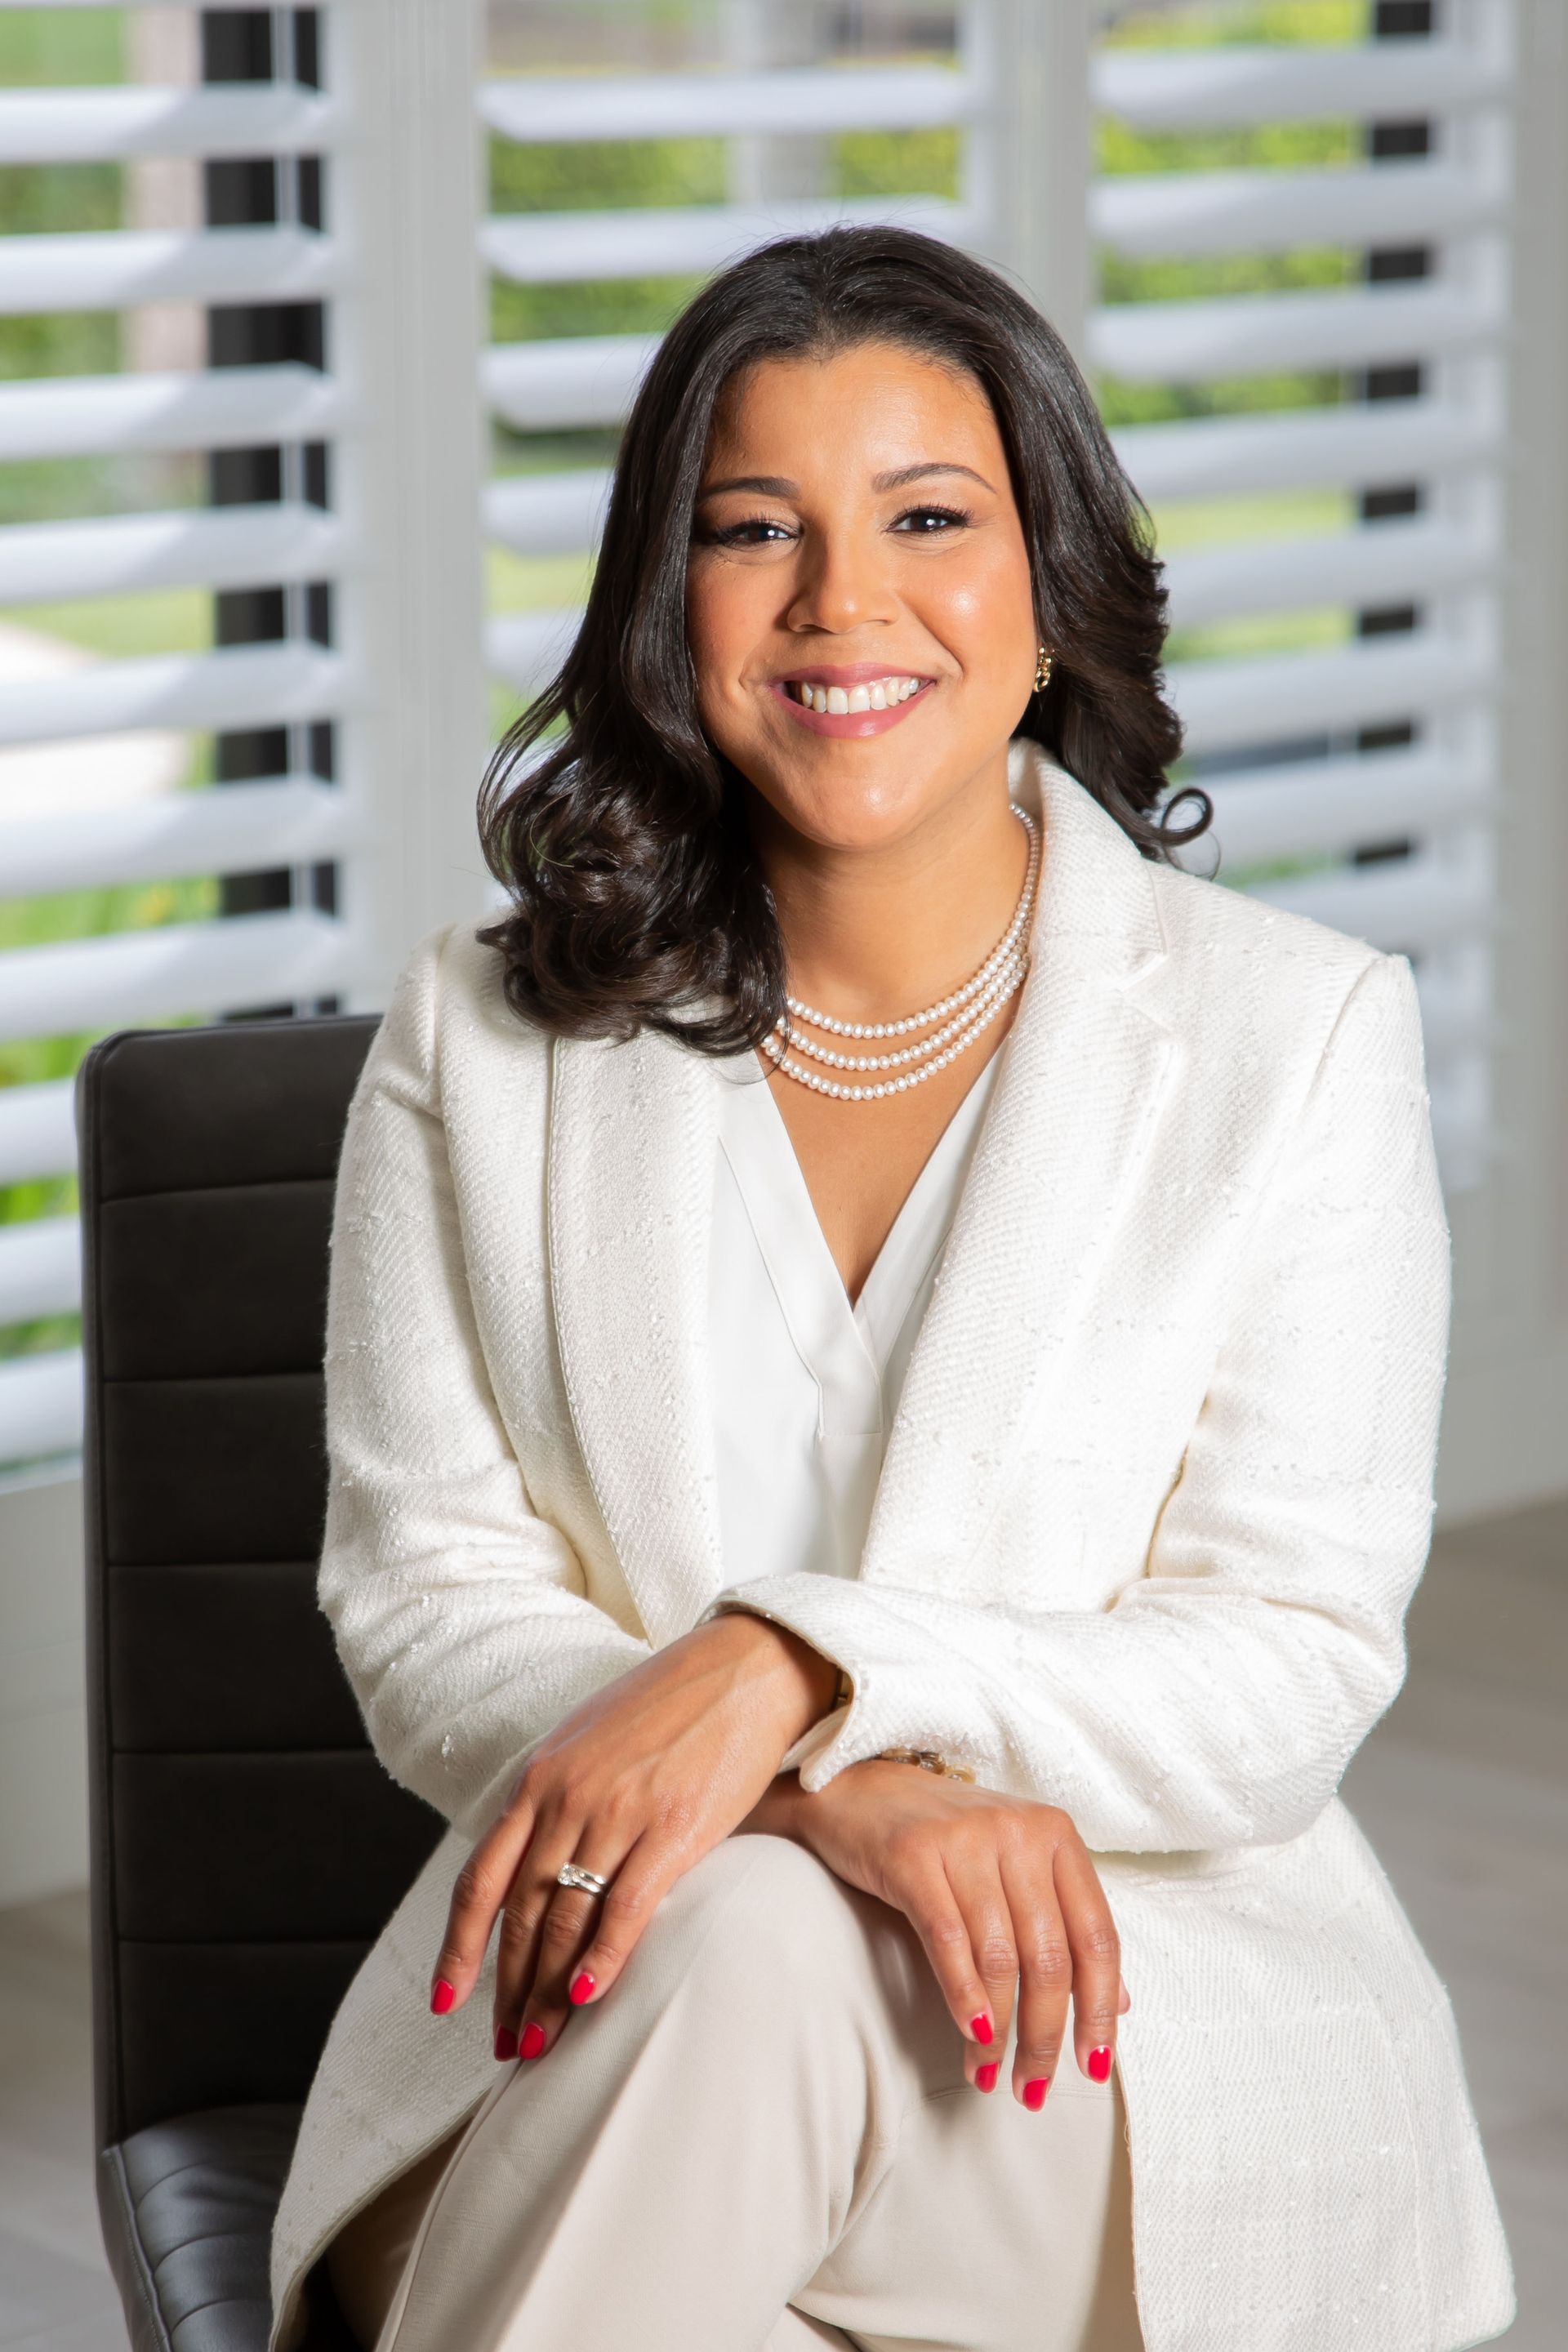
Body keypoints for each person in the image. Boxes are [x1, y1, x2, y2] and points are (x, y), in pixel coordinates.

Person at [267, 226, 1513, 2352]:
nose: (845, 605)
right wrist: (830, 1791)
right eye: (758, 533)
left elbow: (1289, 1660)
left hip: (1105, 2061)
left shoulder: (1297, 1038)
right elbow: (420, 1611)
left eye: (928, 519)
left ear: (1052, 582)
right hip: (611, 2016)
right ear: (672, 601)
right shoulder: (482, 1042)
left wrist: (792, 1662)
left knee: (742, 1973)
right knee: (746, 1945)